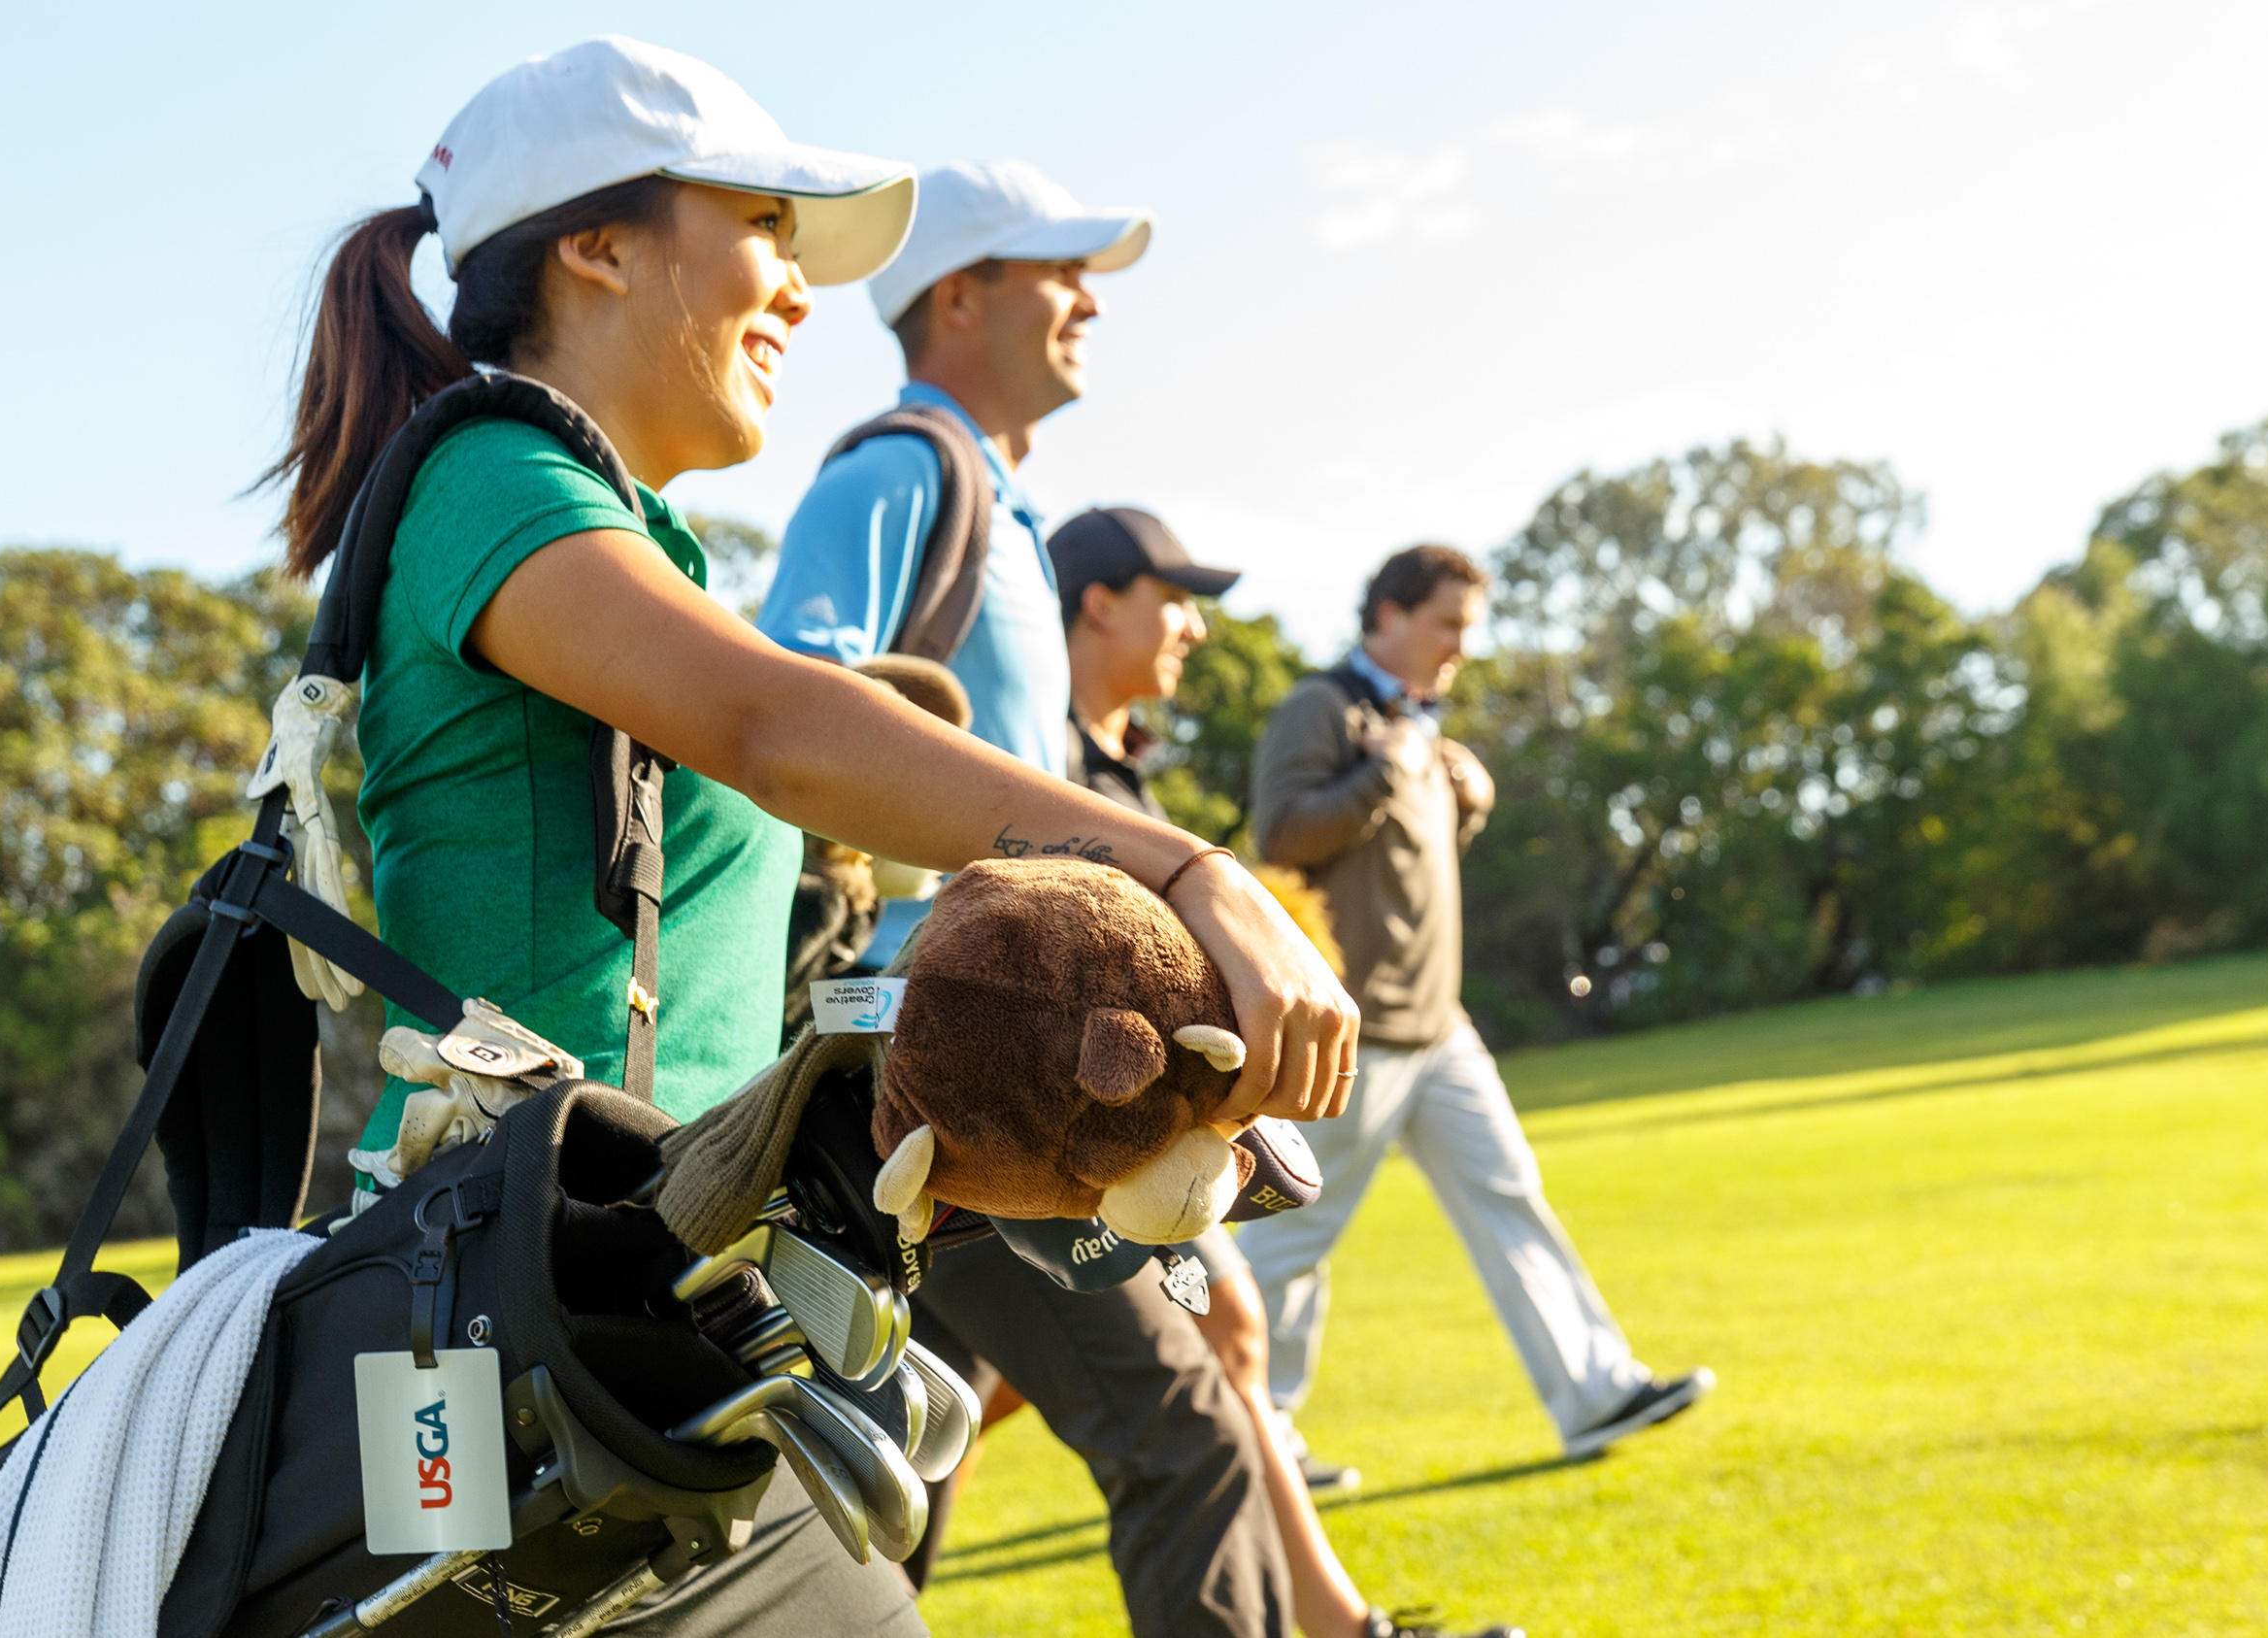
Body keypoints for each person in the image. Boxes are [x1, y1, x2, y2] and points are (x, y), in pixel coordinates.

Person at [267, 41, 1354, 1632]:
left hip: (635, 1314)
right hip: (499, 1327)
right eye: (765, 228)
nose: (796, 288)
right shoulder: (491, 477)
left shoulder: (639, 536)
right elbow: (770, 727)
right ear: (597, 245)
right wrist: (1185, 869)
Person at [754, 163, 1302, 1638]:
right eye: (1059, 270)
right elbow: (785, 719)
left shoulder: (1008, 513)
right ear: (958, 294)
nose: (1088, 303)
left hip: (974, 1077)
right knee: (1184, 1432)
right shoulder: (896, 475)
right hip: (947, 1069)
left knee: (889, 1509)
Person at [1051, 508, 1524, 1638]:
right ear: (1099, 604)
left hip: (1135, 1142)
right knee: (1176, 1404)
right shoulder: (1036, 766)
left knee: (1226, 1340)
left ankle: (1348, 1626)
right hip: (1034, 1146)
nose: (1196, 629)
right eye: (1175, 601)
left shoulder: (1117, 768)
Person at [1239, 546, 1711, 1474]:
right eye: (1447, 622)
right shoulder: (1323, 708)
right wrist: (1386, 773)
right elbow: (1282, 836)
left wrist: (1461, 798)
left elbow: (1398, 865)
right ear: (1388, 615)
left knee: (1510, 1198)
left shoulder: (1417, 725)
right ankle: (1255, 1442)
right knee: (1293, 1235)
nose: (1463, 645)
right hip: (1355, 1030)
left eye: (1469, 626)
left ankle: (1596, 1392)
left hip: (1440, 1027)